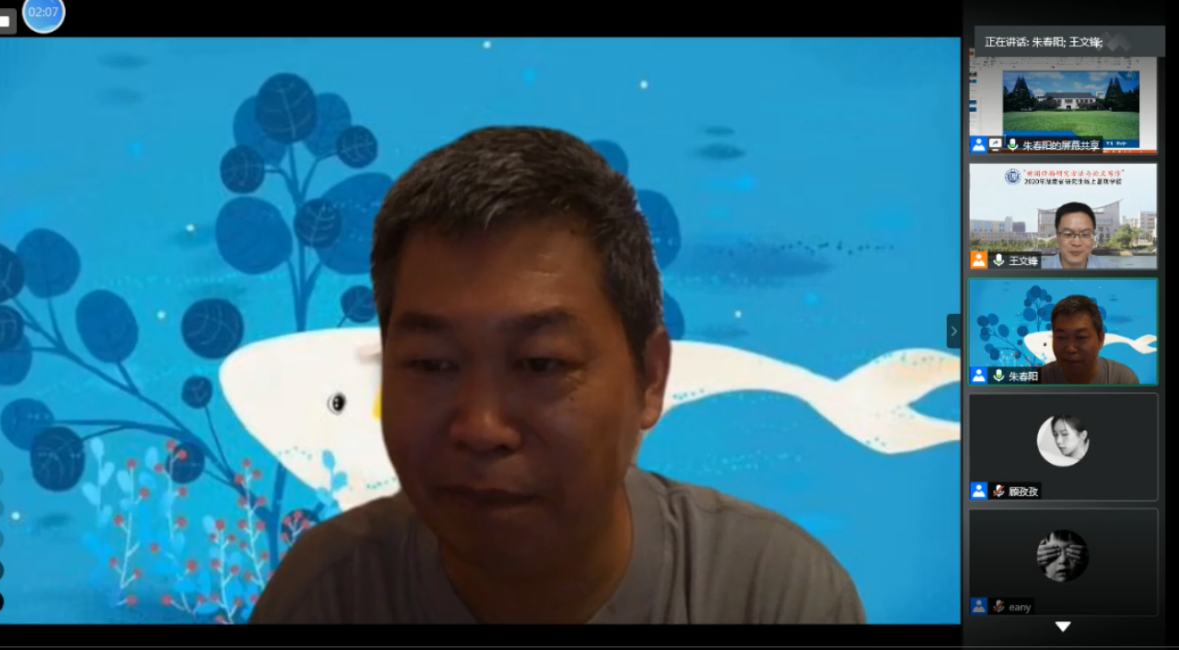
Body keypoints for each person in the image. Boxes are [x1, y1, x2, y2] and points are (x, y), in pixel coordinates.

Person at [249, 126, 865, 624]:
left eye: (541, 364)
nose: (481, 427)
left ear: (651, 378)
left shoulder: (770, 595)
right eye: (432, 364)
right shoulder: (329, 597)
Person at [1038, 295, 1139, 384]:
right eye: (1061, 337)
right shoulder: (1039, 378)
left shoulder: (1122, 379)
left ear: (1100, 339)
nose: (1070, 348)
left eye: (1081, 337)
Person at [1040, 202, 1108, 269]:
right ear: (1057, 236)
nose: (1076, 243)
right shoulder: (1038, 272)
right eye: (1068, 234)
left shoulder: (1109, 269)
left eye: (1085, 234)